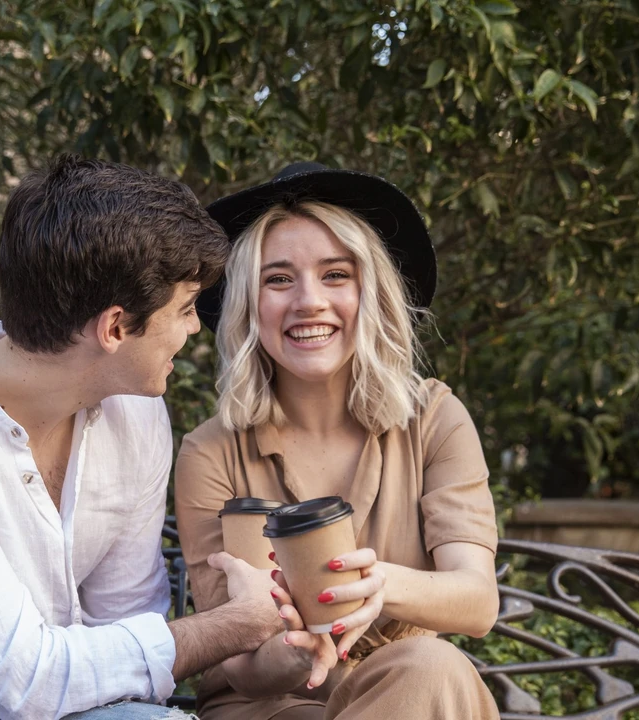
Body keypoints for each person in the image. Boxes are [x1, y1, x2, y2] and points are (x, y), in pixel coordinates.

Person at [0, 156, 284, 720]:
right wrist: (238, 622)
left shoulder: (135, 412)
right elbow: (24, 681)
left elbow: (125, 620)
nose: (193, 328)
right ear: (114, 327)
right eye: (185, 309)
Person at [174, 162, 501, 719]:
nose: (308, 301)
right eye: (278, 279)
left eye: (335, 275)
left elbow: (477, 601)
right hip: (272, 705)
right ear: (248, 303)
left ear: (369, 292)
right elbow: (239, 665)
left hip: (404, 688)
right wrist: (297, 652)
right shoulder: (210, 452)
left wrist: (378, 585)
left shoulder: (434, 420)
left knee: (431, 666)